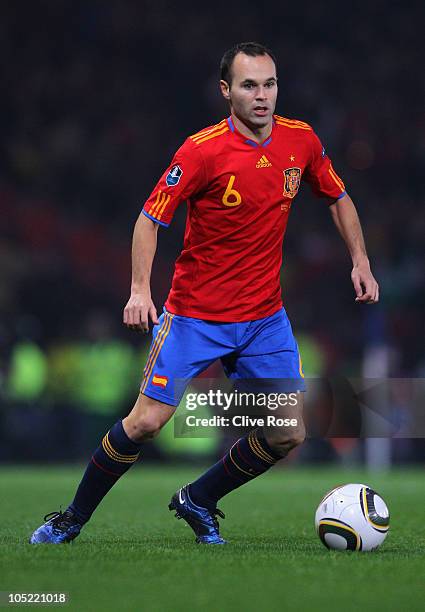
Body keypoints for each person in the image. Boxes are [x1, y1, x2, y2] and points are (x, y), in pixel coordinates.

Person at [30, 41, 379, 545]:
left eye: (270, 84)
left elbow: (339, 197)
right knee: (147, 422)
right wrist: (138, 291)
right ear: (226, 91)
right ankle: (71, 519)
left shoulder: (300, 141)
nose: (262, 96)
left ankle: (198, 498)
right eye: (249, 86)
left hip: (263, 319)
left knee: (288, 433)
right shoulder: (200, 152)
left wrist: (361, 261)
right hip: (195, 316)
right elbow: (149, 221)